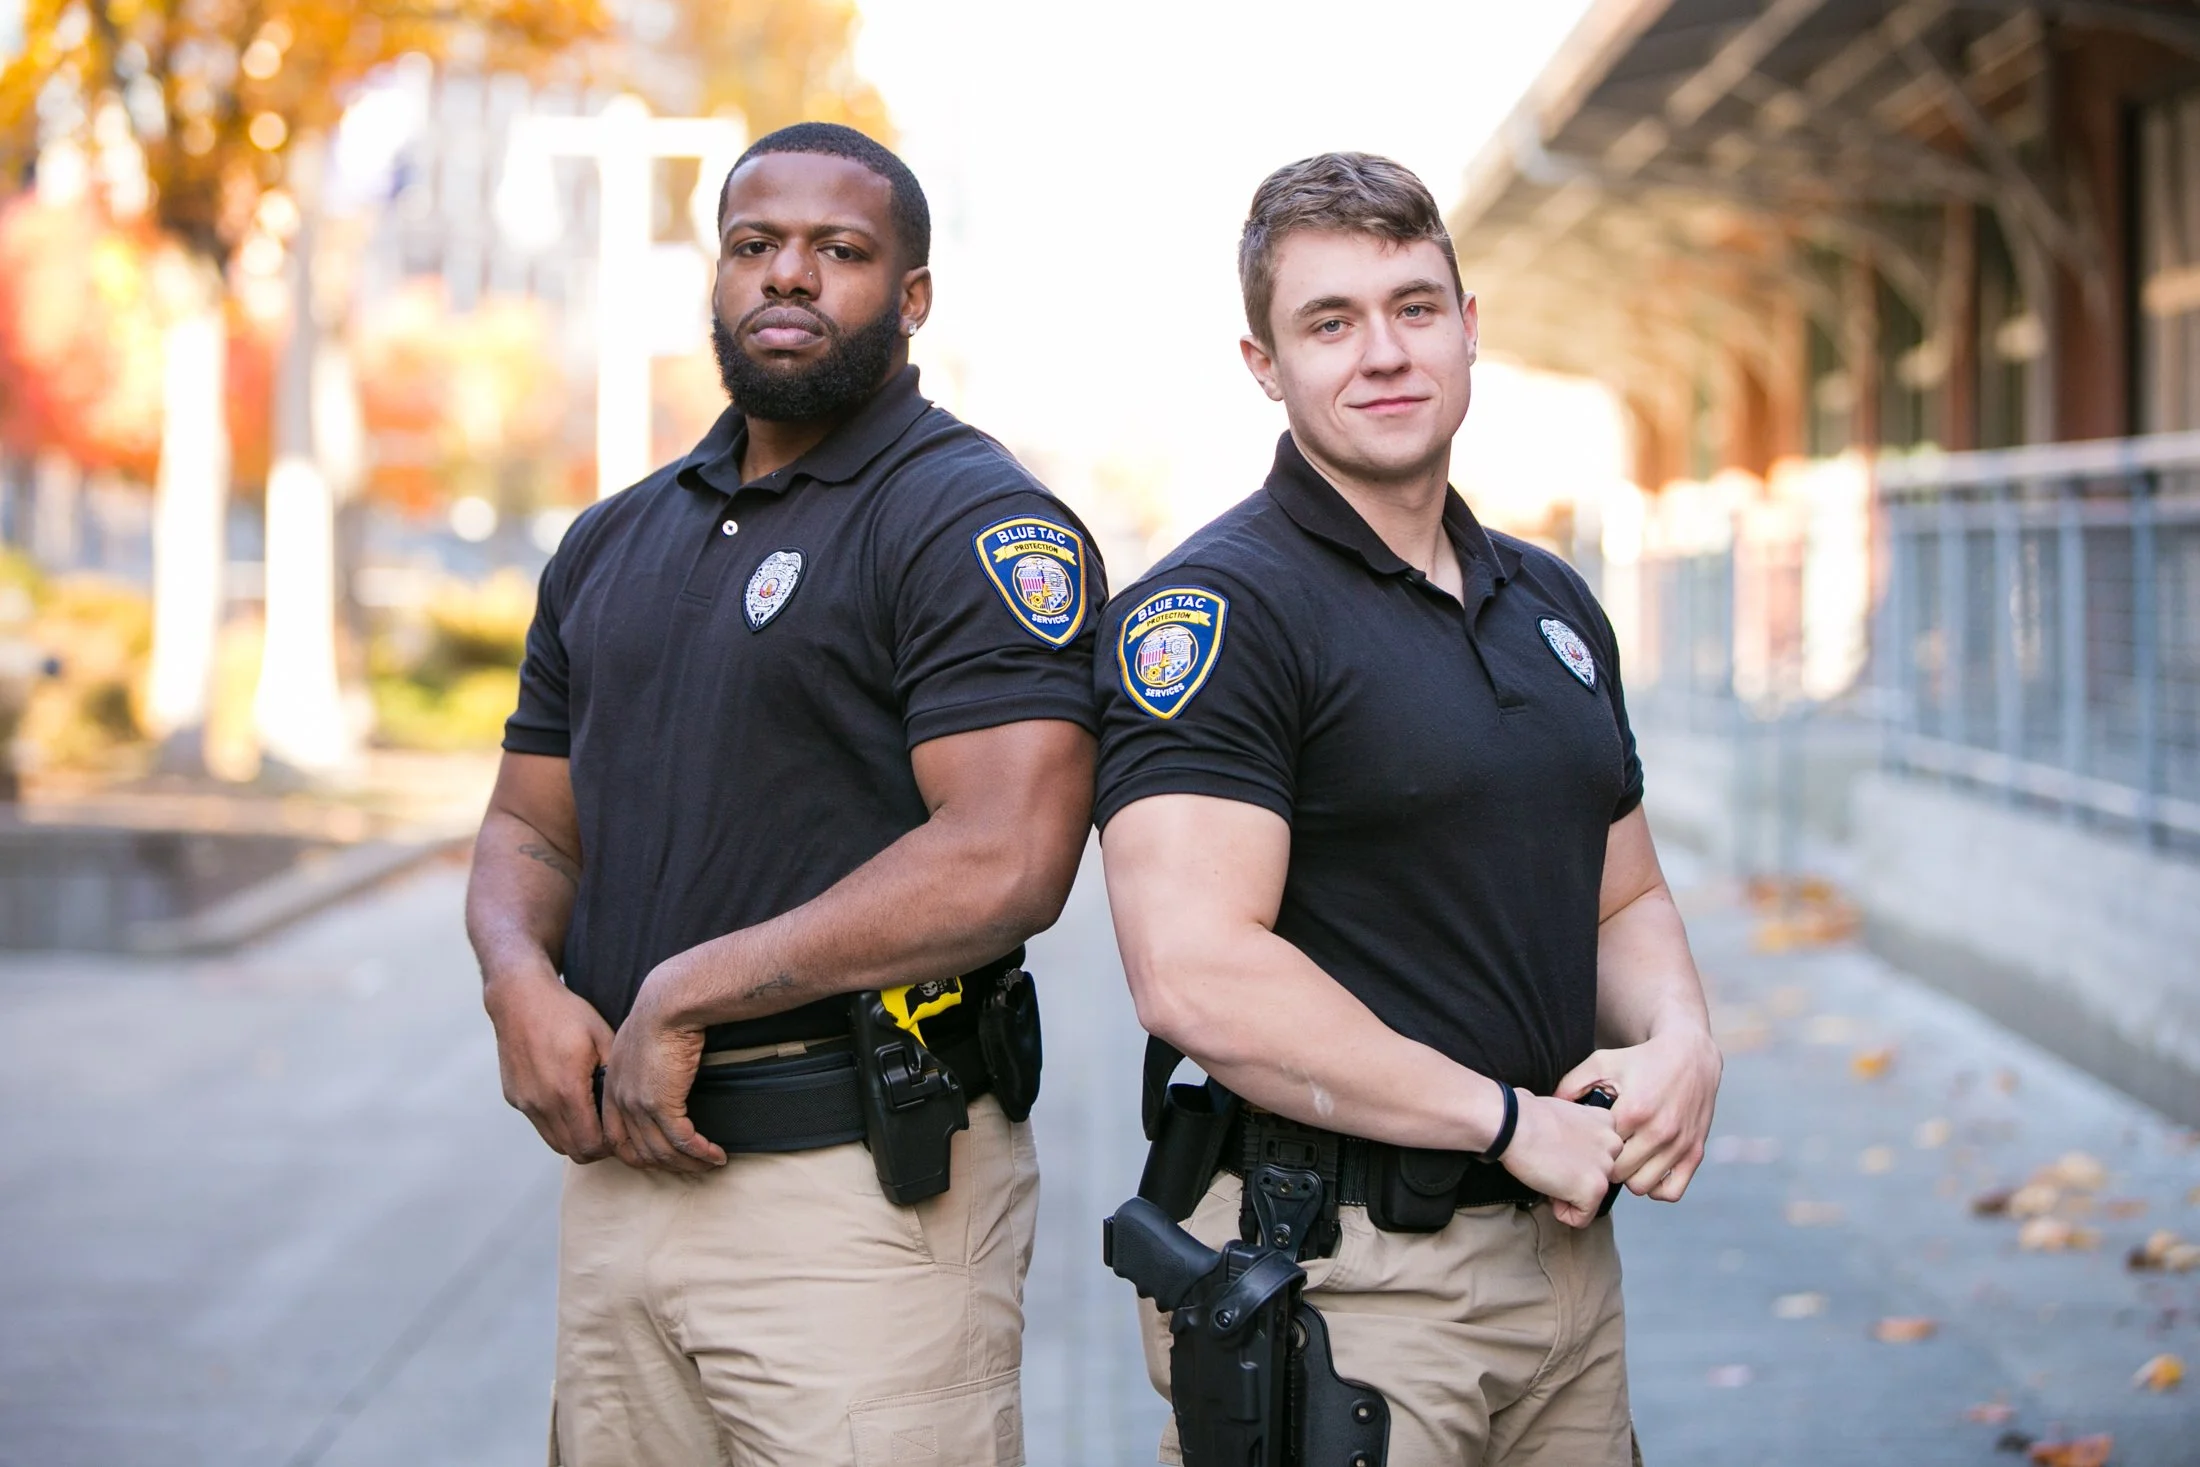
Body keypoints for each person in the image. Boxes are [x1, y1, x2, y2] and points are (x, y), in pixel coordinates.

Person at [466, 122, 1104, 1467]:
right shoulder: (614, 538)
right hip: (621, 1190)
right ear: (718, 279)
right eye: (756, 246)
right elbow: (530, 822)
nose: (789, 276)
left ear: (912, 296)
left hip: (859, 1196)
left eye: (841, 251)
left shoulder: (973, 522)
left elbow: (1010, 853)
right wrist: (517, 975)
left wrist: (688, 985)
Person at [1093, 152, 1721, 1465]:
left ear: (1470, 326)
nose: (1383, 351)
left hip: (1563, 1273)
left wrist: (1681, 1039)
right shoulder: (1216, 612)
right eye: (1331, 322)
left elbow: (1623, 893)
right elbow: (1196, 971)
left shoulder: (1550, 603)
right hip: (1346, 1287)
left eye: (1414, 306)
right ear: (1265, 363)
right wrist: (1507, 1120)